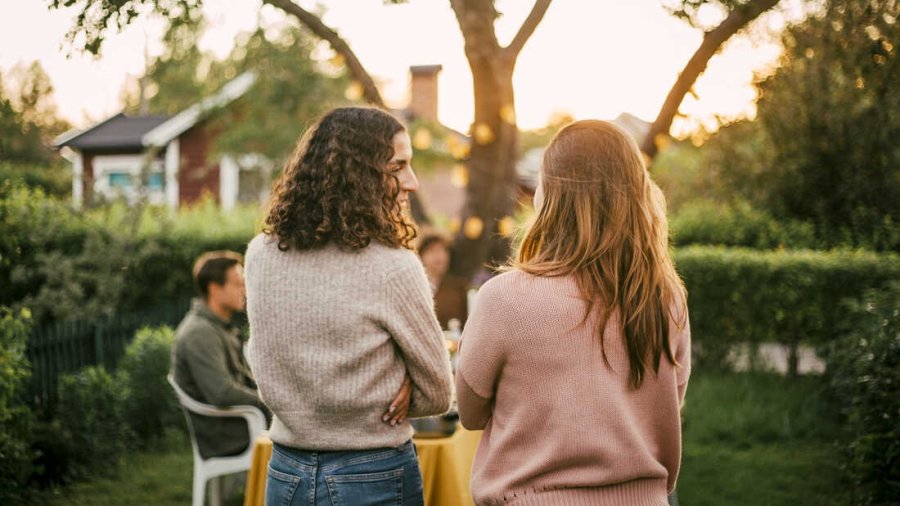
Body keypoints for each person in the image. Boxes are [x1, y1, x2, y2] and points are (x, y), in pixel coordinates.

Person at [456, 120, 691, 505]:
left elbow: (470, 412)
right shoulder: (665, 298)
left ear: (548, 194)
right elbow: (666, 403)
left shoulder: (503, 298)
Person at [244, 107, 453, 506]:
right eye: (398, 166)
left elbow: (268, 366)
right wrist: (398, 384)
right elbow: (440, 393)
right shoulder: (393, 267)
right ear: (360, 174)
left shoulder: (259, 256)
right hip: (372, 473)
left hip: (286, 473)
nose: (413, 182)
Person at [171, 251, 268, 459]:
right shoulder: (200, 332)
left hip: (238, 423)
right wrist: (270, 401)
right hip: (227, 433)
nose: (245, 290)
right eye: (238, 283)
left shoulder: (219, 326)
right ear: (215, 288)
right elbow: (222, 392)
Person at [417, 232, 469, 328]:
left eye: (443, 250)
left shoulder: (458, 288)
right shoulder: (414, 287)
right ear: (421, 255)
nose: (439, 256)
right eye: (432, 250)